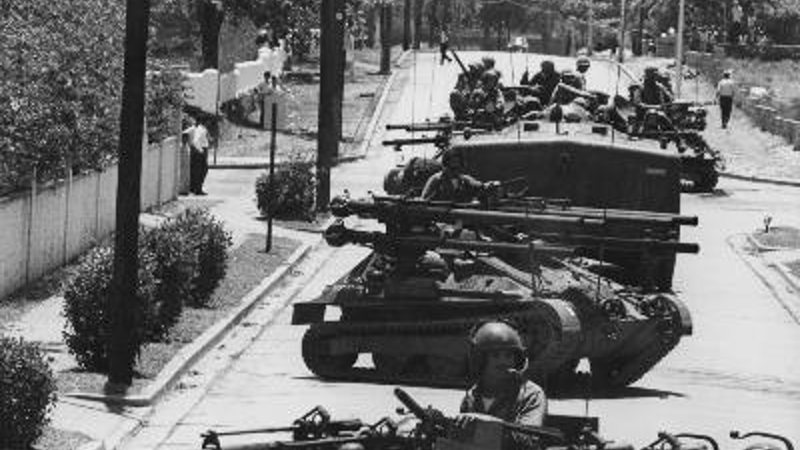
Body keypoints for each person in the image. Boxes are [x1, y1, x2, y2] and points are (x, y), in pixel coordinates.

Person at [456, 321, 548, 450]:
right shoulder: (472, 396)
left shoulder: (531, 394)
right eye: (495, 355)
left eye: (508, 355)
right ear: (480, 360)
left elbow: (528, 439)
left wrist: (482, 422)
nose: (503, 361)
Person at [420, 148, 496, 203]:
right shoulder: (436, 180)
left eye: (458, 167)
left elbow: (477, 185)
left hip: (462, 219)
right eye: (452, 168)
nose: (455, 171)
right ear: (445, 166)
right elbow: (423, 201)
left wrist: (487, 185)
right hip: (441, 221)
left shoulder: (464, 180)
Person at [183, 115, 210, 195]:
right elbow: (196, 140)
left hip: (198, 150)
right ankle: (198, 189)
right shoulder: (201, 129)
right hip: (200, 150)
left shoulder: (197, 129)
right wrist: (200, 150)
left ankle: (195, 188)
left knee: (199, 170)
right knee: (201, 170)